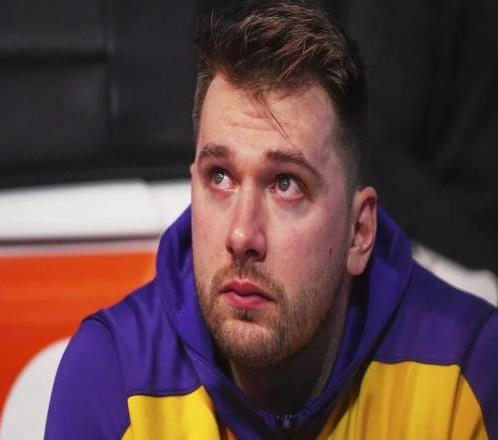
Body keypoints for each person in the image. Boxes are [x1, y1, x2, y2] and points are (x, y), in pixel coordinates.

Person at [45, 1, 498, 438]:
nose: (242, 235)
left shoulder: (467, 373)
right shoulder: (113, 375)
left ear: (359, 232)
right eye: (220, 177)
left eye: (286, 184)